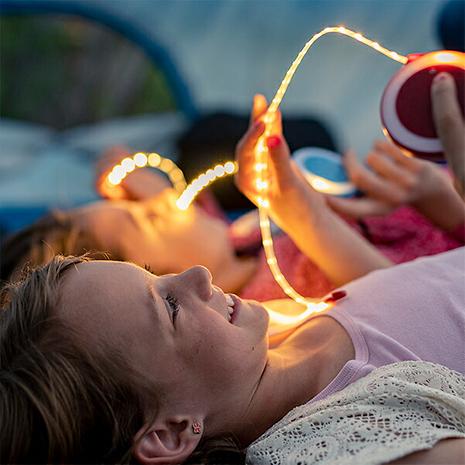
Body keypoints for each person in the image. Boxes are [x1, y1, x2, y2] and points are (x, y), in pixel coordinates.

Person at [1, 72, 464, 465]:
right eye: (169, 307)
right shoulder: (344, 442)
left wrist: (299, 212)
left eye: (156, 277)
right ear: (171, 432)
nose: (199, 274)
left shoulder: (278, 335)